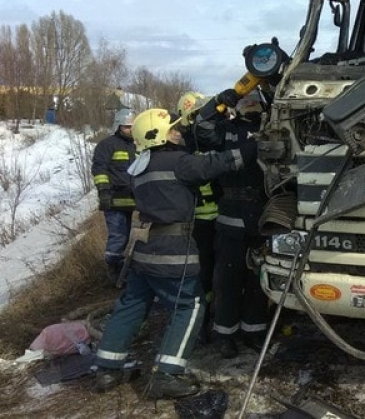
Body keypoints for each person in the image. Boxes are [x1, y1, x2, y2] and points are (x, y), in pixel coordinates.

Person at [94, 104, 255, 399]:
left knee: (132, 303)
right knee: (190, 305)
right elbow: (220, 163)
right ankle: (167, 374)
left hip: (143, 250)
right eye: (172, 129)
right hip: (173, 252)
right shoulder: (178, 162)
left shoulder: (140, 166)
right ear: (159, 136)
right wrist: (254, 142)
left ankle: (107, 367)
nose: (178, 132)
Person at [195, 87, 272, 359]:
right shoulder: (226, 130)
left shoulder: (275, 125)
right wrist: (216, 103)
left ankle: (254, 331)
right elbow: (201, 128)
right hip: (231, 216)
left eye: (255, 100)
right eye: (245, 100)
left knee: (258, 278)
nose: (250, 103)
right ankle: (224, 334)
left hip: (266, 215)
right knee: (227, 279)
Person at [176, 91, 219, 341]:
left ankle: (211, 316)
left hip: (220, 218)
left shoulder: (215, 139)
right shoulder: (184, 148)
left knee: (217, 270)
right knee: (201, 272)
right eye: (198, 115)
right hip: (197, 222)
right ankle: (200, 322)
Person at [91, 107, 137, 285]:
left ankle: (126, 270)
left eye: (132, 127)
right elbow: (99, 170)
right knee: (118, 236)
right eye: (127, 127)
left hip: (133, 200)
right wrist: (103, 192)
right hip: (114, 200)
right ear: (118, 126)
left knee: (128, 236)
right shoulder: (107, 145)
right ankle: (114, 270)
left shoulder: (137, 145)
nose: (130, 130)